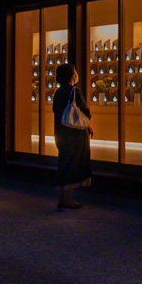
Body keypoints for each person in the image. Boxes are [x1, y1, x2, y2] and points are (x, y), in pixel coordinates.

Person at [52, 63, 92, 209]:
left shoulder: (58, 92)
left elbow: (56, 111)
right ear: (71, 75)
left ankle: (61, 199)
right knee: (72, 164)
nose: (76, 74)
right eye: (74, 71)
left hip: (60, 132)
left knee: (63, 163)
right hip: (74, 134)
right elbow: (85, 112)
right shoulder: (74, 91)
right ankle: (68, 200)